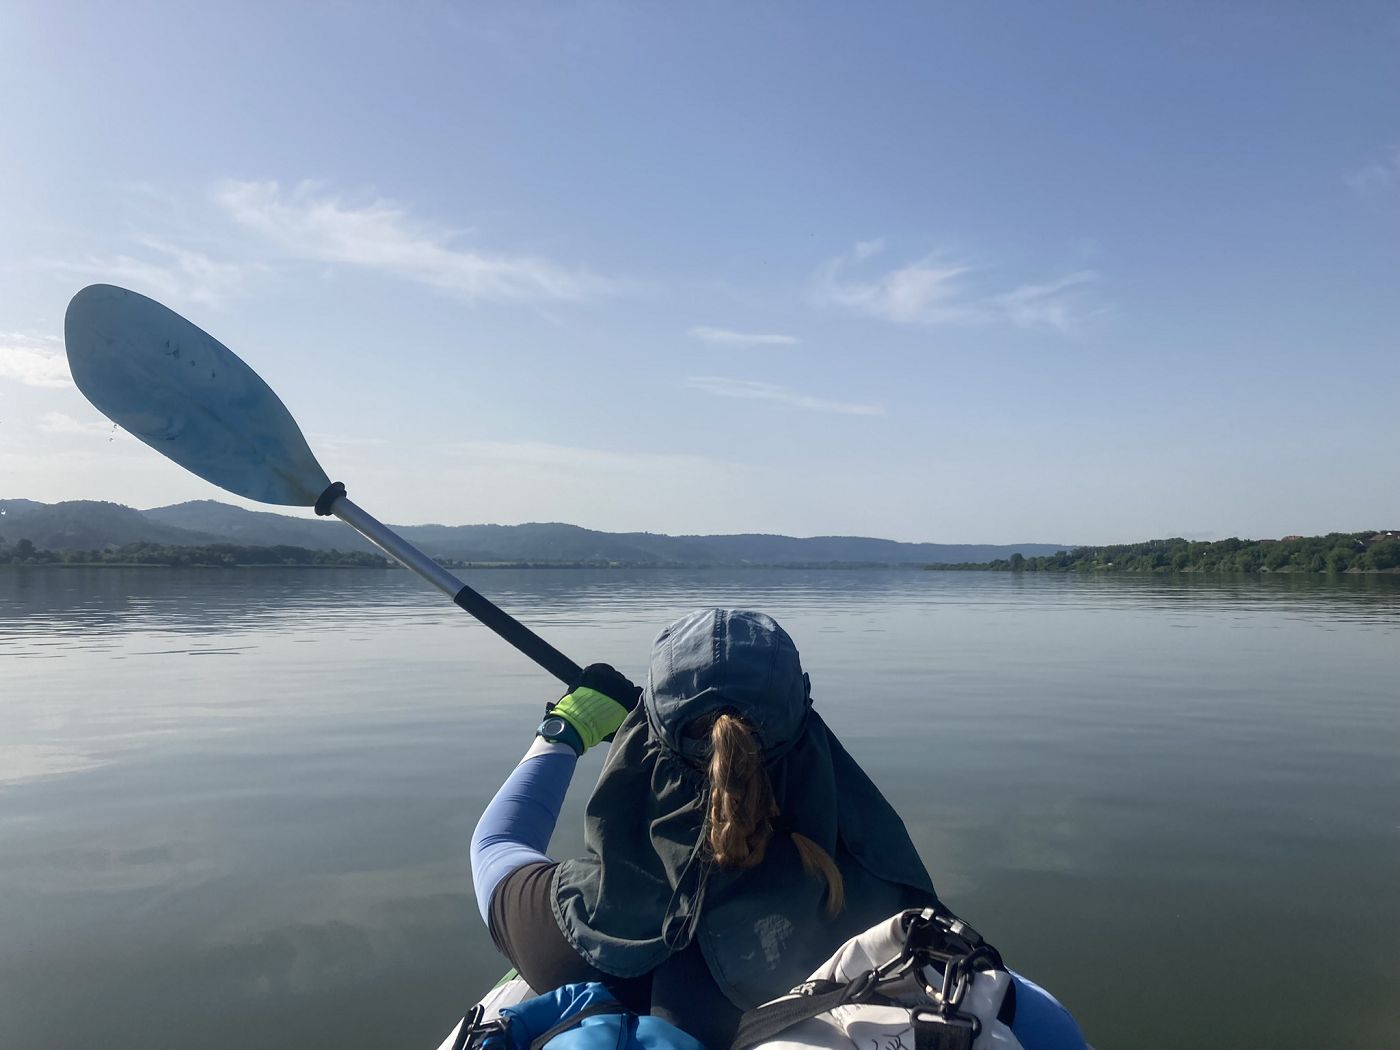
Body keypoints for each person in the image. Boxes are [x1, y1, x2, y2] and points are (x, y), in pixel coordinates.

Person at [471, 609, 940, 1048]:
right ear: (809, 737)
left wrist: (568, 727)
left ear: (644, 741)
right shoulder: (896, 926)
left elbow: (496, 843)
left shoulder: (566, 937)